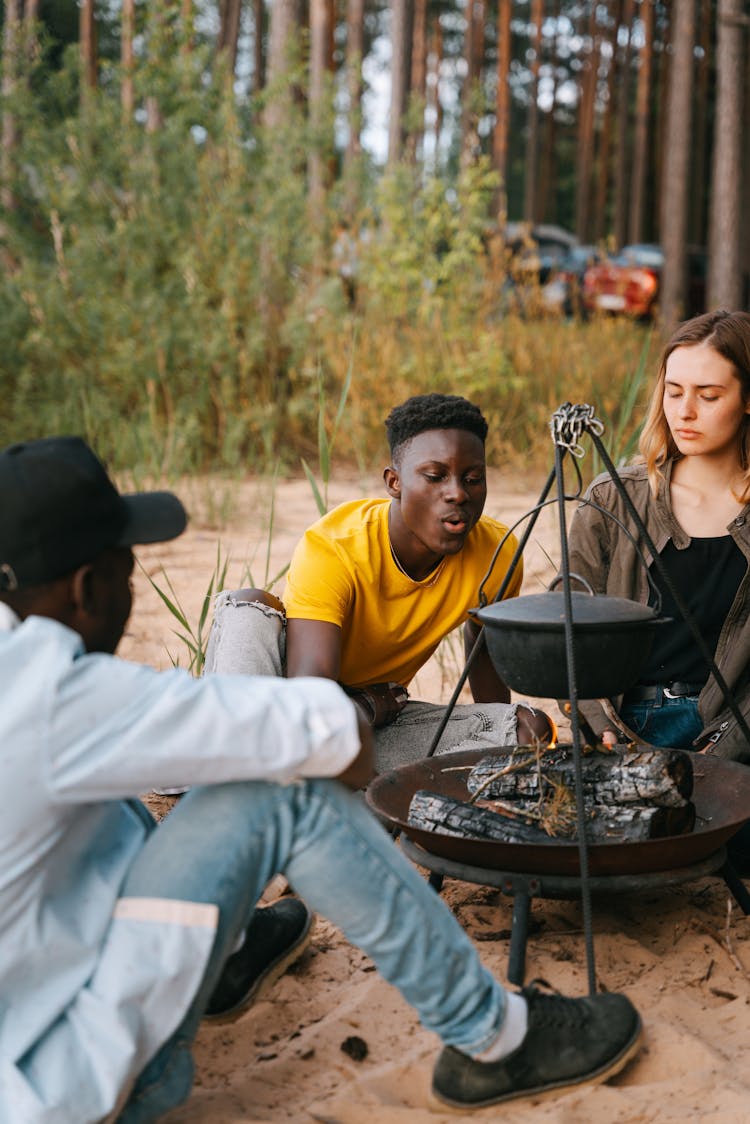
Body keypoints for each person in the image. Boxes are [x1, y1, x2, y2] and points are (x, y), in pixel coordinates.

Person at [0, 435, 642, 1122]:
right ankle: (497, 1040)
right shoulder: (59, 695)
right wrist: (357, 723)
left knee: (112, 790)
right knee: (286, 796)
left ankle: (229, 955)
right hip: (53, 1088)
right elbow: (325, 736)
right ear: (86, 586)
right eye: (127, 572)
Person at [205, 393, 554, 773]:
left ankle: (288, 774)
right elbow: (309, 702)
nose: (458, 493)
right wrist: (368, 706)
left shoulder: (498, 554)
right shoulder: (335, 547)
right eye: (436, 477)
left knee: (526, 732)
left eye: (473, 479)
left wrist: (501, 745)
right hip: (285, 705)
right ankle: (235, 763)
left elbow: (483, 646)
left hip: (372, 727)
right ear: (394, 482)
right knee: (249, 606)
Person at [566, 309, 750, 761]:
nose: (684, 412)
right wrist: (597, 722)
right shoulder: (614, 497)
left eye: (708, 396)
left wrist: (731, 749)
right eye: (673, 392)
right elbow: (568, 622)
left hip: (734, 731)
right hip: (628, 728)